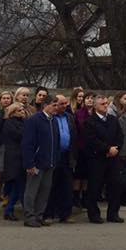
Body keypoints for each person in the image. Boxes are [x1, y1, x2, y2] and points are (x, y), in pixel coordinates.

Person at [83, 95, 124, 223]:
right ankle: (94, 214)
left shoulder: (113, 119)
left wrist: (116, 148)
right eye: (102, 104)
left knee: (115, 185)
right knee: (95, 187)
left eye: (106, 103)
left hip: (113, 159)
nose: (105, 106)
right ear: (95, 106)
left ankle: (113, 214)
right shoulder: (90, 121)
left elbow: (120, 135)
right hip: (97, 158)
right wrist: (107, 149)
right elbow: (91, 140)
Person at [21, 95, 60, 227]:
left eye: (57, 105)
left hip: (50, 162)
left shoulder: (54, 121)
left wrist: (55, 159)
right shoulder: (34, 120)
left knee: (44, 191)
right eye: (53, 105)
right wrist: (29, 163)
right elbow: (28, 143)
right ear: (45, 105)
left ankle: (39, 215)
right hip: (37, 162)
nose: (56, 108)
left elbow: (56, 142)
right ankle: (29, 216)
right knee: (32, 191)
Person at [46, 94, 78, 222]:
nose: (65, 106)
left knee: (66, 186)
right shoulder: (50, 117)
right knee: (51, 185)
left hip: (67, 156)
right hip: (53, 155)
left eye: (66, 103)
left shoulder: (69, 117)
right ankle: (49, 214)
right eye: (61, 104)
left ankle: (65, 214)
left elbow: (74, 136)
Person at [1, 102, 26, 220]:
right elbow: (20, 135)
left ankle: (10, 209)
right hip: (14, 157)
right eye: (20, 110)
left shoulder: (23, 122)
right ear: (13, 112)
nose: (23, 112)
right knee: (17, 185)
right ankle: (10, 209)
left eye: (23, 110)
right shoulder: (9, 123)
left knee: (19, 185)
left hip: (20, 156)